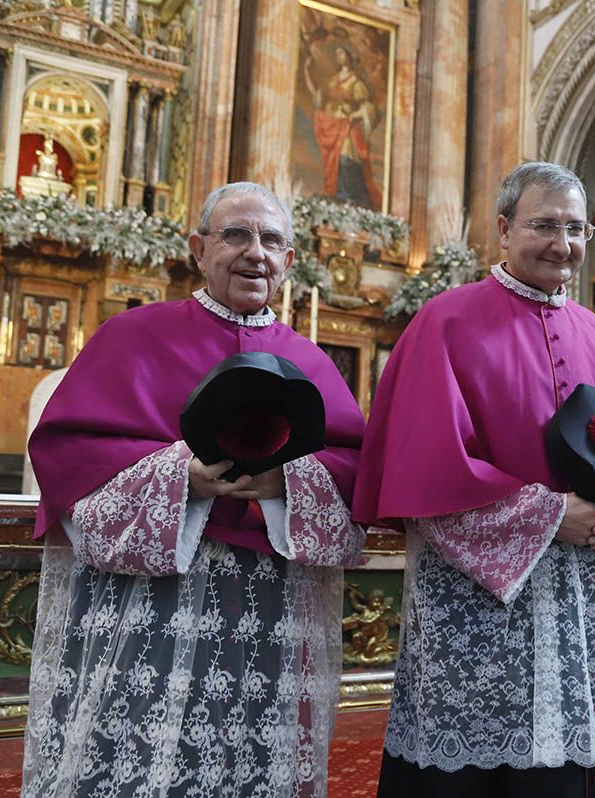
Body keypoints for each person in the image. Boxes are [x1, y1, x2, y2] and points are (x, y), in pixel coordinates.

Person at [21, 182, 366, 796]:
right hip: (150, 601)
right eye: (235, 235)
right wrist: (179, 475)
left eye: (271, 240)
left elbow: (354, 468)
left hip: (268, 603)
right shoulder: (134, 336)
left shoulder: (310, 362)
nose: (254, 252)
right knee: (142, 753)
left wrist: (285, 478)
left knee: (251, 758)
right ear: (199, 249)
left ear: (289, 261)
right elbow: (69, 452)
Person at [353, 161, 595, 797]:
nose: (563, 244)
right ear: (503, 229)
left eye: (576, 229)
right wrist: (554, 517)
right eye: (544, 225)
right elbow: (429, 477)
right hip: (488, 616)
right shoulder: (444, 324)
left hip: (588, 607)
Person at [305, 44, 382, 209]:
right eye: (337, 53)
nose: (339, 56)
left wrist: (355, 115)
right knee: (333, 160)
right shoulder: (333, 80)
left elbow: (368, 107)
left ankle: (348, 195)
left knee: (346, 159)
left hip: (347, 128)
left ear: (350, 55)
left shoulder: (356, 82)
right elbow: (317, 97)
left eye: (342, 53)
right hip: (333, 125)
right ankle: (337, 193)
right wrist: (306, 72)